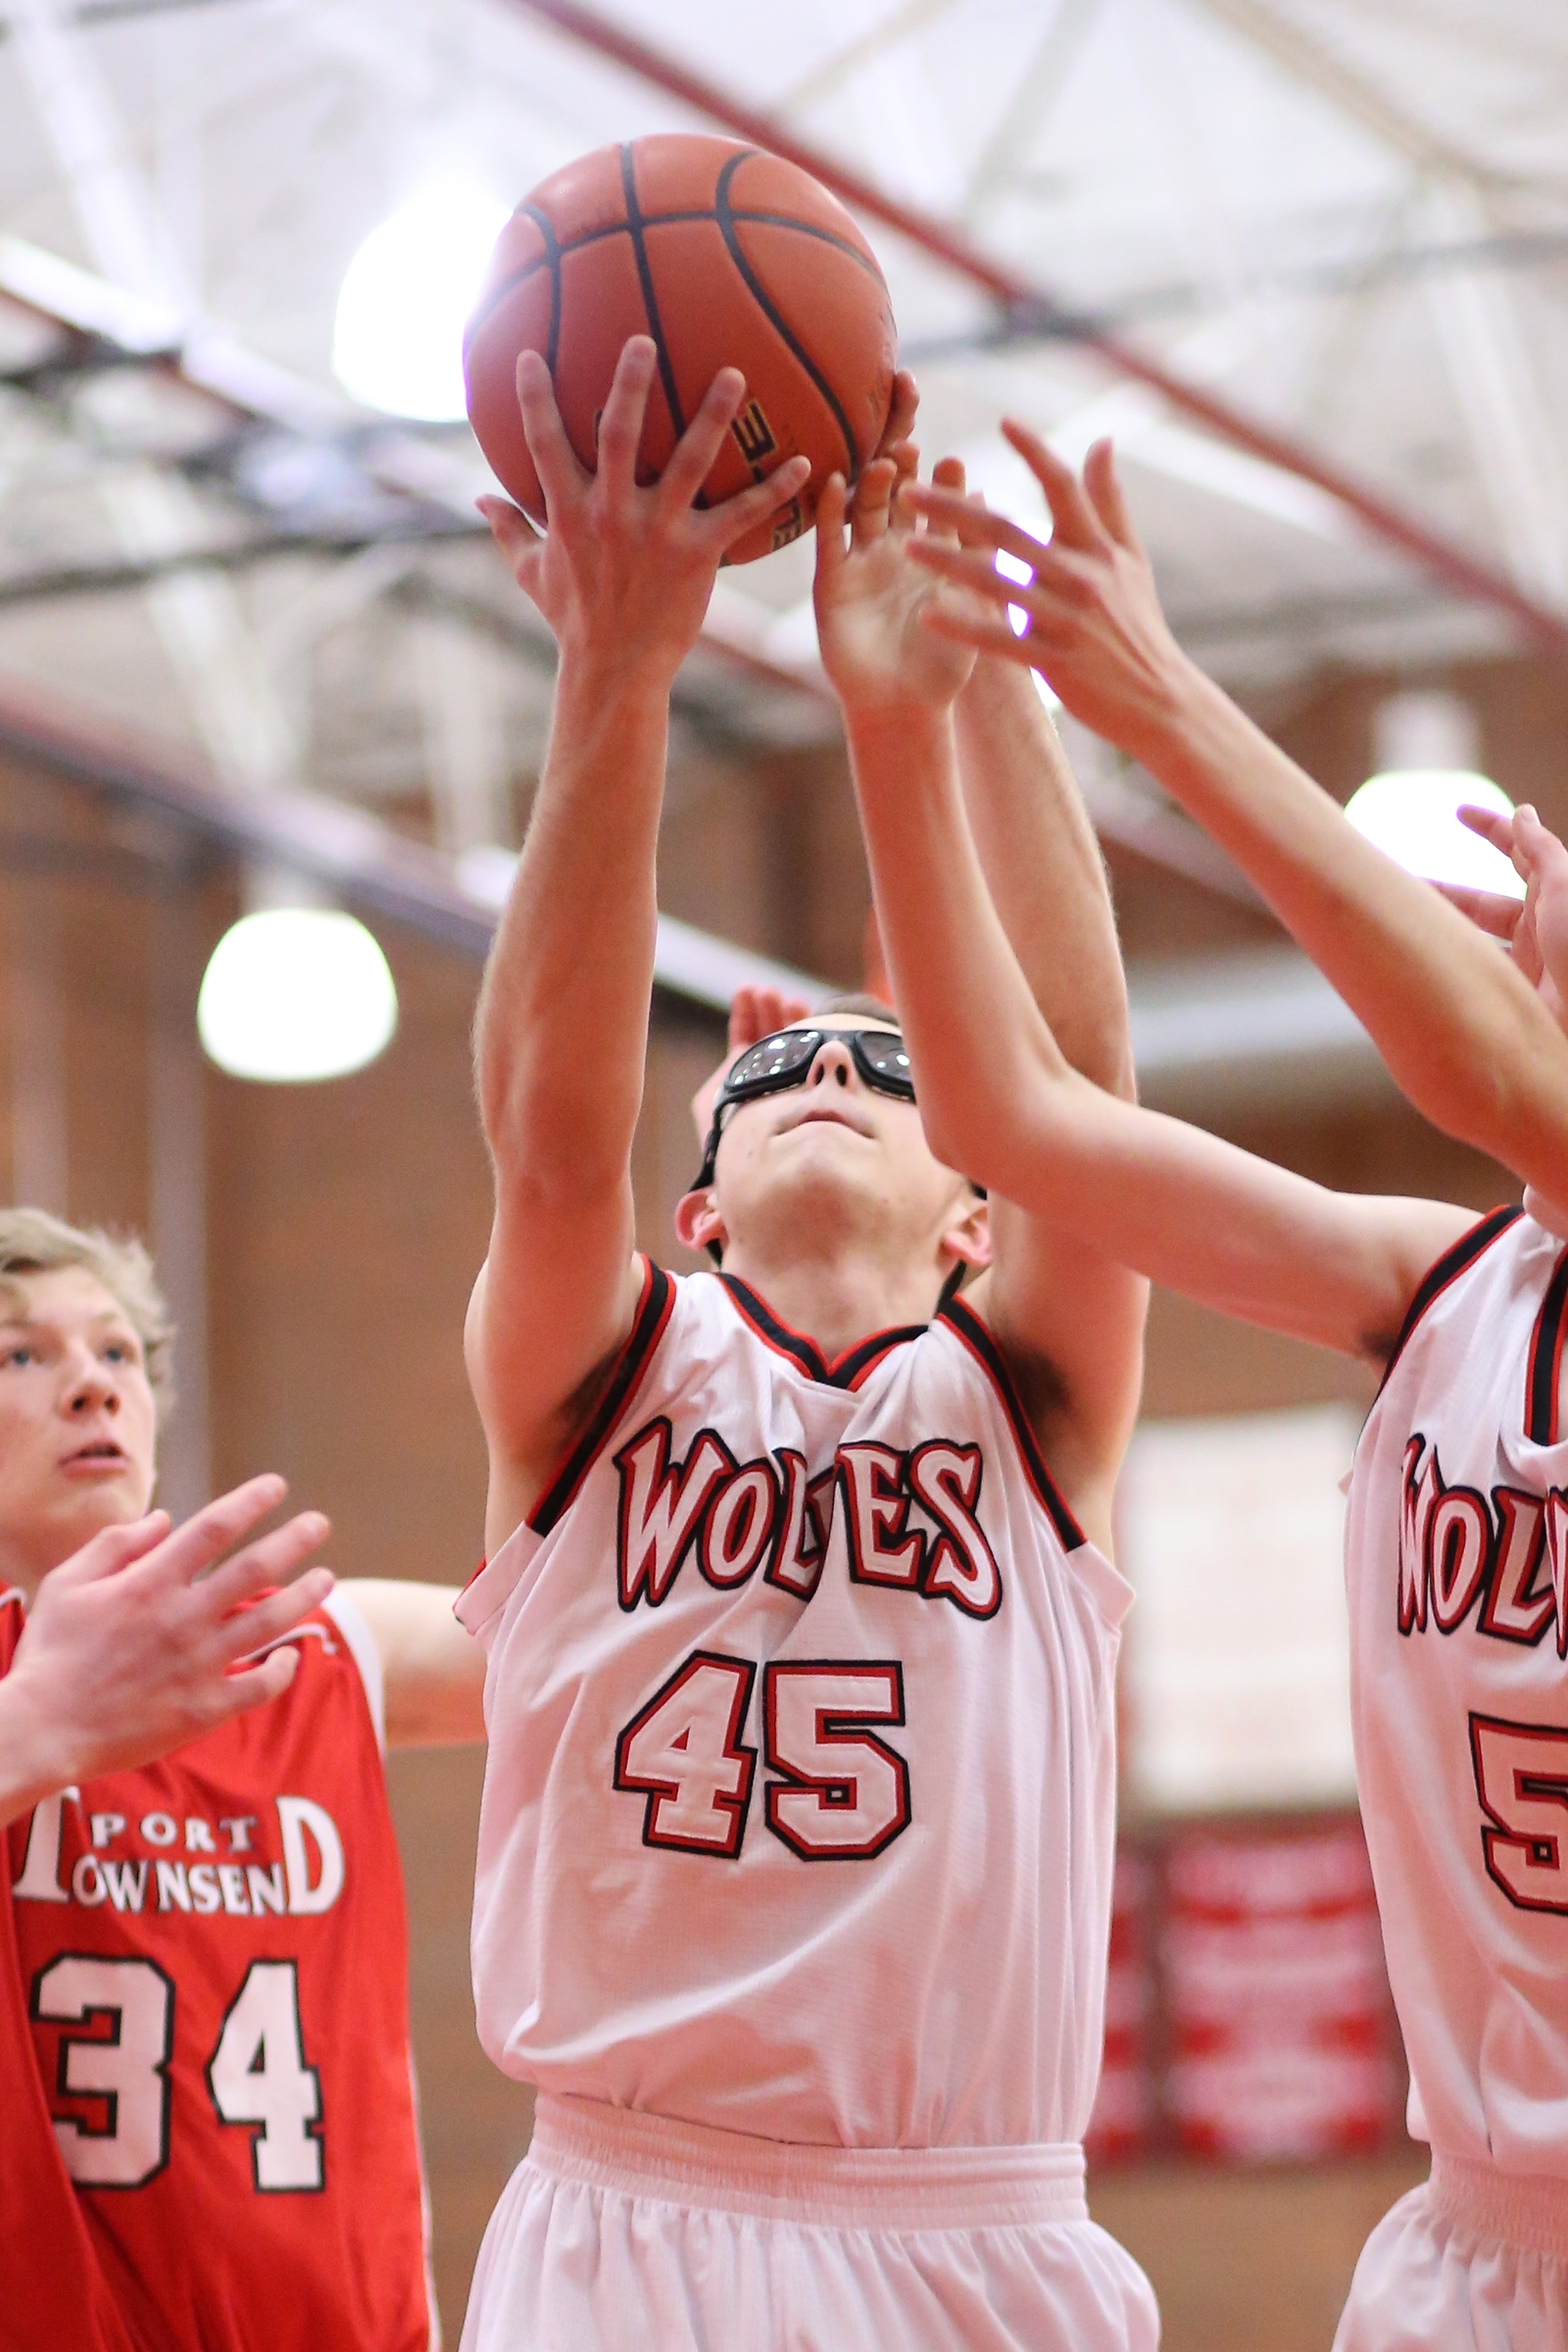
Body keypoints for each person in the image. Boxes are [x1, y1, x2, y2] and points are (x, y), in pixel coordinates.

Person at [455, 334, 1157, 2351]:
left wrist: (955, 685)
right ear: (698, 1211)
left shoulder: (1029, 1401)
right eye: (770, 1080)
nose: (829, 1077)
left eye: (888, 1070)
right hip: (630, 2223)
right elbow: (552, 1132)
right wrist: (616, 672)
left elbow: (1074, 1079)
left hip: (975, 2227)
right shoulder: (604, 1377)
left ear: (975, 1214)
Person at [852, 435, 1568, 2350]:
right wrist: (922, 718)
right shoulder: (1438, 1287)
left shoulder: (1496, 1121)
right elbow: (1017, 1118)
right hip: (1476, 2242)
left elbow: (1487, 1074)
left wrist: (1157, 694)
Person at [1, 1206, 486, 2352]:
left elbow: (597, 1649)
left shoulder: (320, 1648)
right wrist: (35, 1725)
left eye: (117, 1350)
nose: (92, 1384)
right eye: (20, 1353)